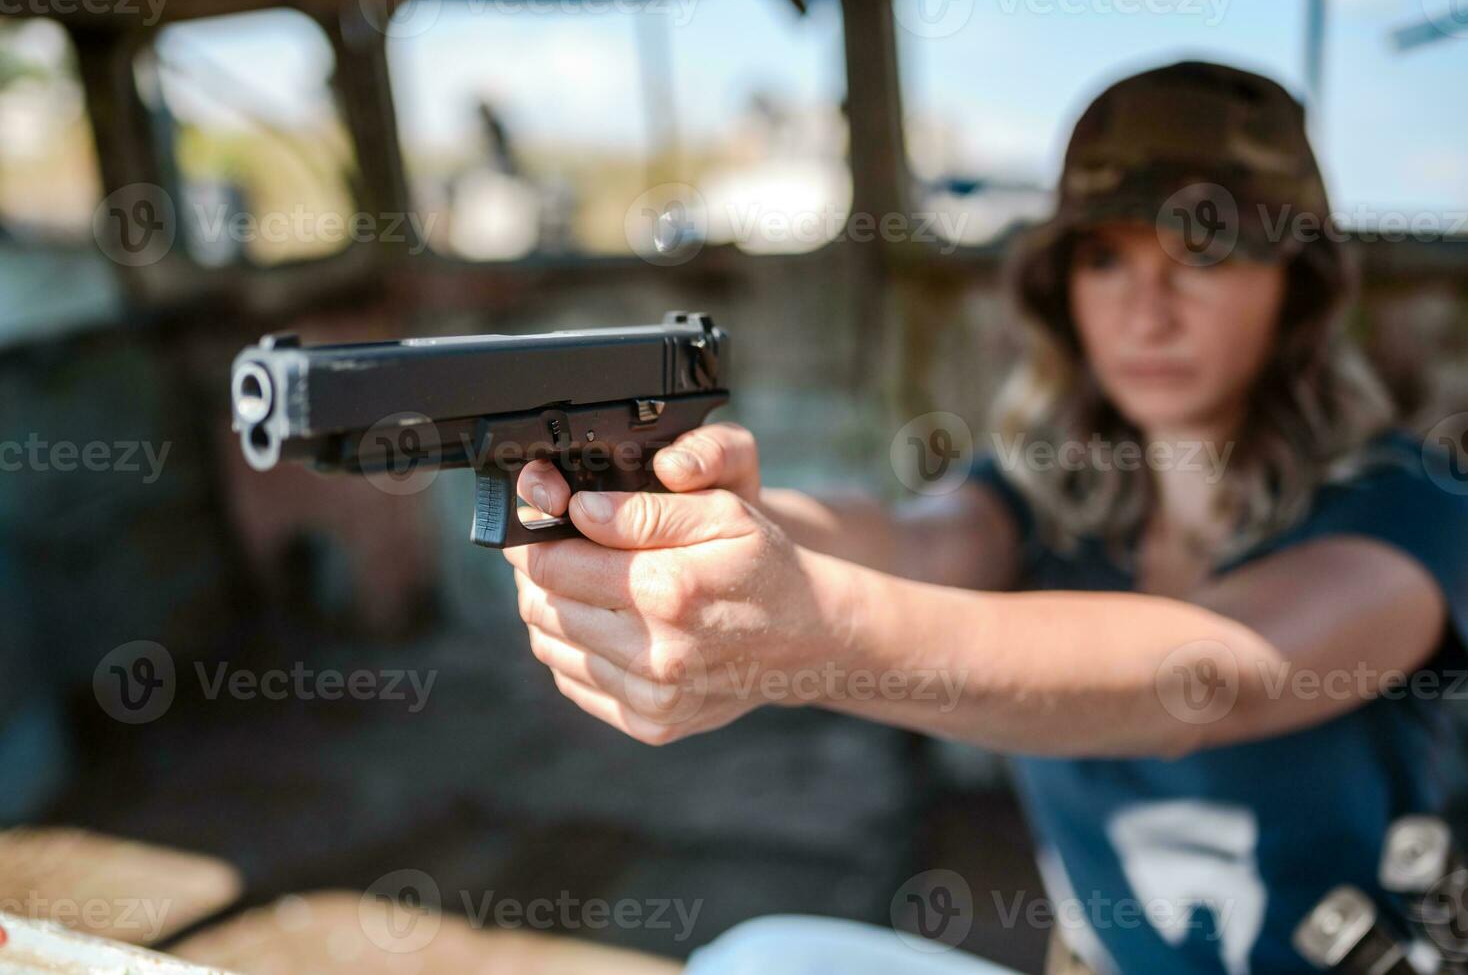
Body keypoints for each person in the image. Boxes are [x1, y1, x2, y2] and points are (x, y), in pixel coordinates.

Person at [505, 61, 1468, 973]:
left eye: (1202, 250)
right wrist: (716, 519)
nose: (1148, 308)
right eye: (1103, 258)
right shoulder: (1047, 494)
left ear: (1295, 283)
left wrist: (805, 636)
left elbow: (1211, 672)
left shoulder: (1411, 507)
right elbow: (904, 539)